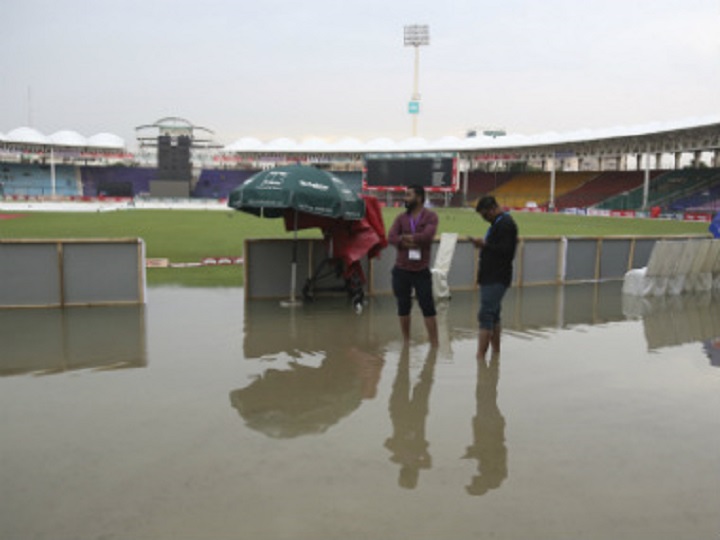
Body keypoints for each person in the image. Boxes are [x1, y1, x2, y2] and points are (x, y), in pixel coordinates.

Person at [388, 185, 439, 346]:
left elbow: (427, 236)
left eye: (408, 195)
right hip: (401, 270)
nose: (405, 198)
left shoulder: (431, 217)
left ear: (419, 198)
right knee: (403, 307)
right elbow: (391, 237)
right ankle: (406, 341)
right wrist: (406, 240)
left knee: (428, 307)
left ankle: (435, 344)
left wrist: (406, 238)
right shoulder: (401, 218)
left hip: (421, 271)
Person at [469, 196, 518, 359]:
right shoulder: (498, 223)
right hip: (491, 276)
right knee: (494, 315)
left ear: (492, 209)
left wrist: (484, 245)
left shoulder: (506, 224)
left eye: (484, 215)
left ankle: (480, 357)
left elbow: (506, 251)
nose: (484, 219)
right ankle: (495, 353)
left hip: (496, 277)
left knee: (485, 314)